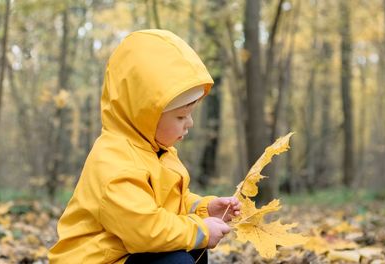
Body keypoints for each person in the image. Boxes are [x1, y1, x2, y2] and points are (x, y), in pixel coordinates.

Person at [48, 29, 241, 264]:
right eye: (181, 117)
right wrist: (200, 230)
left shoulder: (155, 151)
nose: (189, 124)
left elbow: (170, 203)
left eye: (190, 114)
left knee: (191, 249)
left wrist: (205, 209)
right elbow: (145, 229)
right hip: (96, 259)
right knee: (180, 257)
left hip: (125, 252)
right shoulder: (114, 163)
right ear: (145, 115)